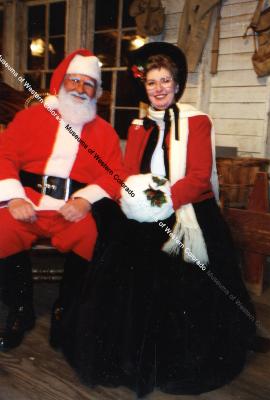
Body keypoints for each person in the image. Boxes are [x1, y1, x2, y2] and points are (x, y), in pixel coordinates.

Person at [58, 43, 256, 398]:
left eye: (166, 81)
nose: (159, 88)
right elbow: (128, 170)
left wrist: (164, 204)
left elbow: (197, 178)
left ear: (177, 85)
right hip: (144, 208)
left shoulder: (196, 121)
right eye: (152, 83)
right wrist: (125, 197)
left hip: (186, 208)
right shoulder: (139, 124)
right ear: (145, 88)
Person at [0, 49, 123, 351]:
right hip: (27, 201)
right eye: (75, 80)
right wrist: (14, 198)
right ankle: (20, 310)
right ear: (62, 83)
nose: (80, 89)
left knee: (93, 239)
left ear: (97, 92)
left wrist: (85, 200)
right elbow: (3, 156)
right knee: (1, 231)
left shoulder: (104, 132)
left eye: (88, 84)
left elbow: (115, 175)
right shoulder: (30, 118)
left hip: (72, 210)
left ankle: (64, 309)